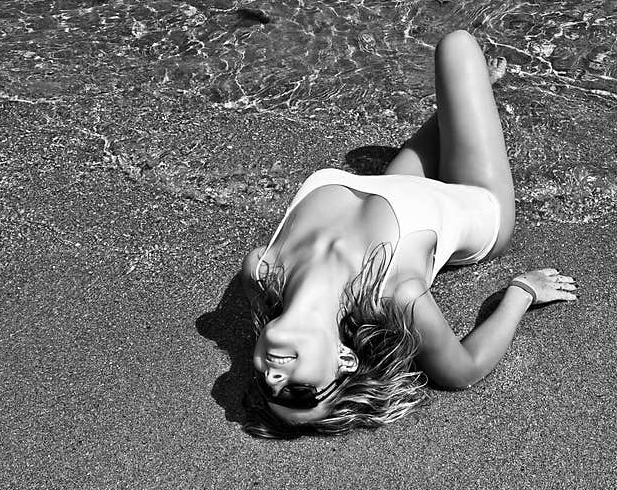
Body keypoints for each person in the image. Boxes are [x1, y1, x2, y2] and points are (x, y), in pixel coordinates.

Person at [240, 30, 578, 438]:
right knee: (457, 47)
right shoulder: (395, 293)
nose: (275, 380)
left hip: (398, 189)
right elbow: (463, 371)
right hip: (474, 202)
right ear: (344, 361)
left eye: (267, 388)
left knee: (462, 87)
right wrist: (522, 293)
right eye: (299, 394)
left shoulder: (263, 269)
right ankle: (480, 97)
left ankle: (473, 102)